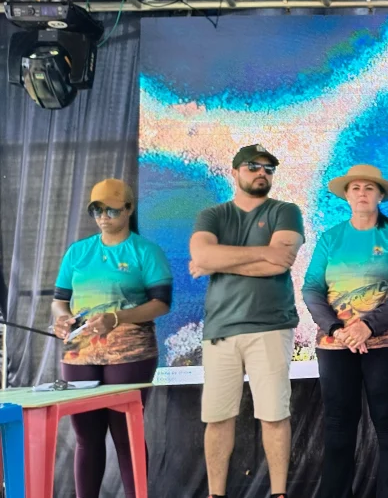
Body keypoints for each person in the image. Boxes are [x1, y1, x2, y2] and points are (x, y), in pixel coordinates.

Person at [189, 144, 305, 498]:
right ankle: (216, 494)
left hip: (271, 327)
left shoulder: (285, 211)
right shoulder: (212, 215)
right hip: (220, 330)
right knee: (217, 418)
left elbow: (280, 262)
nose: (261, 173)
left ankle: (279, 493)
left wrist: (218, 261)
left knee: (274, 415)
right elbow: (201, 254)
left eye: (268, 168)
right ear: (235, 171)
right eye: (253, 166)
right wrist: (264, 252)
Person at [302, 164, 388, 498]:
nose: (362, 193)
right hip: (335, 345)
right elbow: (311, 289)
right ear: (347, 196)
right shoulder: (331, 238)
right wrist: (337, 330)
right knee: (338, 425)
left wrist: (368, 326)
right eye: (355, 188)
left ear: (380, 195)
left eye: (369, 188)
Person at [51, 178, 172, 498]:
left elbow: (161, 303)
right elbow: (59, 300)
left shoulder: (146, 251)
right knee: (86, 436)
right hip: (79, 352)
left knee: (126, 434)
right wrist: (62, 319)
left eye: (112, 209)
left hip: (130, 351)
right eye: (97, 210)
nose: (103, 216)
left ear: (129, 209)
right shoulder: (78, 252)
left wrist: (117, 318)